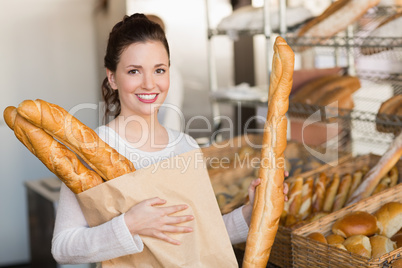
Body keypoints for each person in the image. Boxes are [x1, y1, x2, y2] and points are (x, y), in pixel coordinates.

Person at [51, 13, 287, 265]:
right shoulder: (92, 149)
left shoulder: (186, 146)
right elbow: (64, 247)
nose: (149, 84)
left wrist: (250, 214)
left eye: (159, 70)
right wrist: (129, 224)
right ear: (112, 78)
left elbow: (200, 236)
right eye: (134, 71)